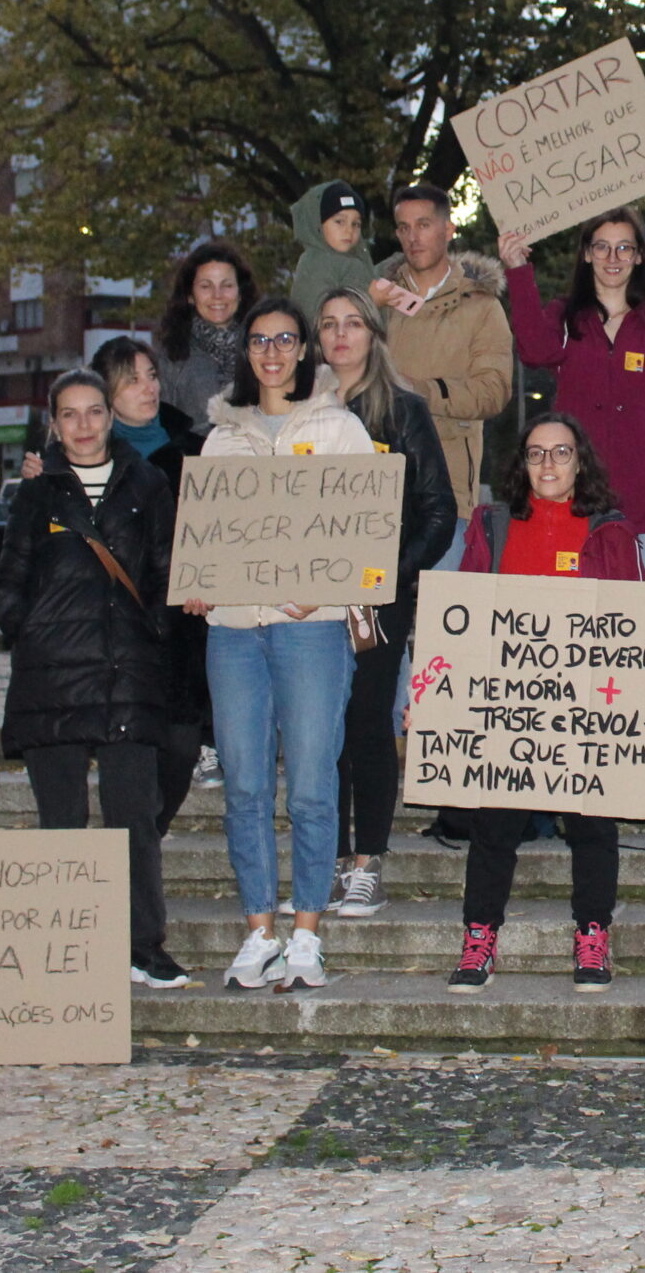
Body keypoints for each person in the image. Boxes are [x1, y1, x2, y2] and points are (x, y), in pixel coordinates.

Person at [193, 297, 372, 991]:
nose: (271, 351)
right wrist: (203, 580)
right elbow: (208, 534)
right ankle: (257, 929)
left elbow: (366, 532)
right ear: (247, 350)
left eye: (285, 339)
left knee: (310, 783)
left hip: (311, 628)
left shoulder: (339, 428)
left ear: (304, 349)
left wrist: (327, 586)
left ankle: (306, 932)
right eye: (259, 339)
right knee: (243, 782)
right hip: (233, 631)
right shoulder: (222, 438)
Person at [0, 368, 187, 990]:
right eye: (70, 415)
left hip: (127, 673)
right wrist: (26, 628)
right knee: (63, 822)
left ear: (111, 415)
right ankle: (68, 947)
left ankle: (142, 945)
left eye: (94, 411)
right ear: (54, 424)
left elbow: (166, 568)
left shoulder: (148, 485)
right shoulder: (37, 494)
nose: (84, 426)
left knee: (134, 818)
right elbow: (10, 578)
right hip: (52, 678)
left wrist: (153, 630)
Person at [448, 412, 645, 993]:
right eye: (536, 454)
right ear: (522, 463)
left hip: (585, 704)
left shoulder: (611, 531)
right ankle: (480, 938)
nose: (548, 465)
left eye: (561, 453)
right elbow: (460, 614)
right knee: (493, 828)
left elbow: (635, 619)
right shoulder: (494, 525)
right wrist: (440, 693)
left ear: (580, 461)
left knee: (592, 826)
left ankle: (592, 937)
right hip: (510, 704)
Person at [312, 287, 458, 918]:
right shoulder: (295, 415)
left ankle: (367, 860)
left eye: (353, 324)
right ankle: (328, 858)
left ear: (374, 334)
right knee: (319, 731)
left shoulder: (402, 410)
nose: (341, 336)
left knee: (366, 719)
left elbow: (438, 511)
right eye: (328, 325)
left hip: (375, 599)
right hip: (304, 602)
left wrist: (390, 577)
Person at [498, 207, 645, 579]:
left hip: (641, 502)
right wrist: (518, 272)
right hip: (574, 501)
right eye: (602, 247)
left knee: (640, 621)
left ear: (638, 256)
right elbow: (533, 350)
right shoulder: (566, 318)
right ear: (587, 253)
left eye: (624, 248)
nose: (612, 258)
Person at [90, 335, 219, 799]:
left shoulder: (199, 449)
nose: (147, 388)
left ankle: (148, 833)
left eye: (151, 376)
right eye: (131, 381)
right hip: (118, 633)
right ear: (105, 393)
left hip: (184, 625)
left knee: (181, 747)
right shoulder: (85, 460)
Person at [373, 183, 513, 535]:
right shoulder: (375, 299)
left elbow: (494, 391)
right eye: (404, 228)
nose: (412, 237)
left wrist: (420, 391)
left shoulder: (482, 307)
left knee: (436, 591)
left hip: (447, 489)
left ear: (448, 229)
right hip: (376, 488)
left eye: (423, 225)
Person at [158, 241, 258, 434]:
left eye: (227, 285)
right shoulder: (172, 357)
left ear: (240, 293)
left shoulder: (264, 349)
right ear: (190, 295)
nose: (217, 295)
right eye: (206, 286)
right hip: (195, 462)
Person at [290, 179, 377, 321]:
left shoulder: (357, 261)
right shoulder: (317, 262)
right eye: (339, 221)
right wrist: (372, 301)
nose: (349, 230)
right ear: (319, 225)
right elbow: (317, 314)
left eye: (356, 224)